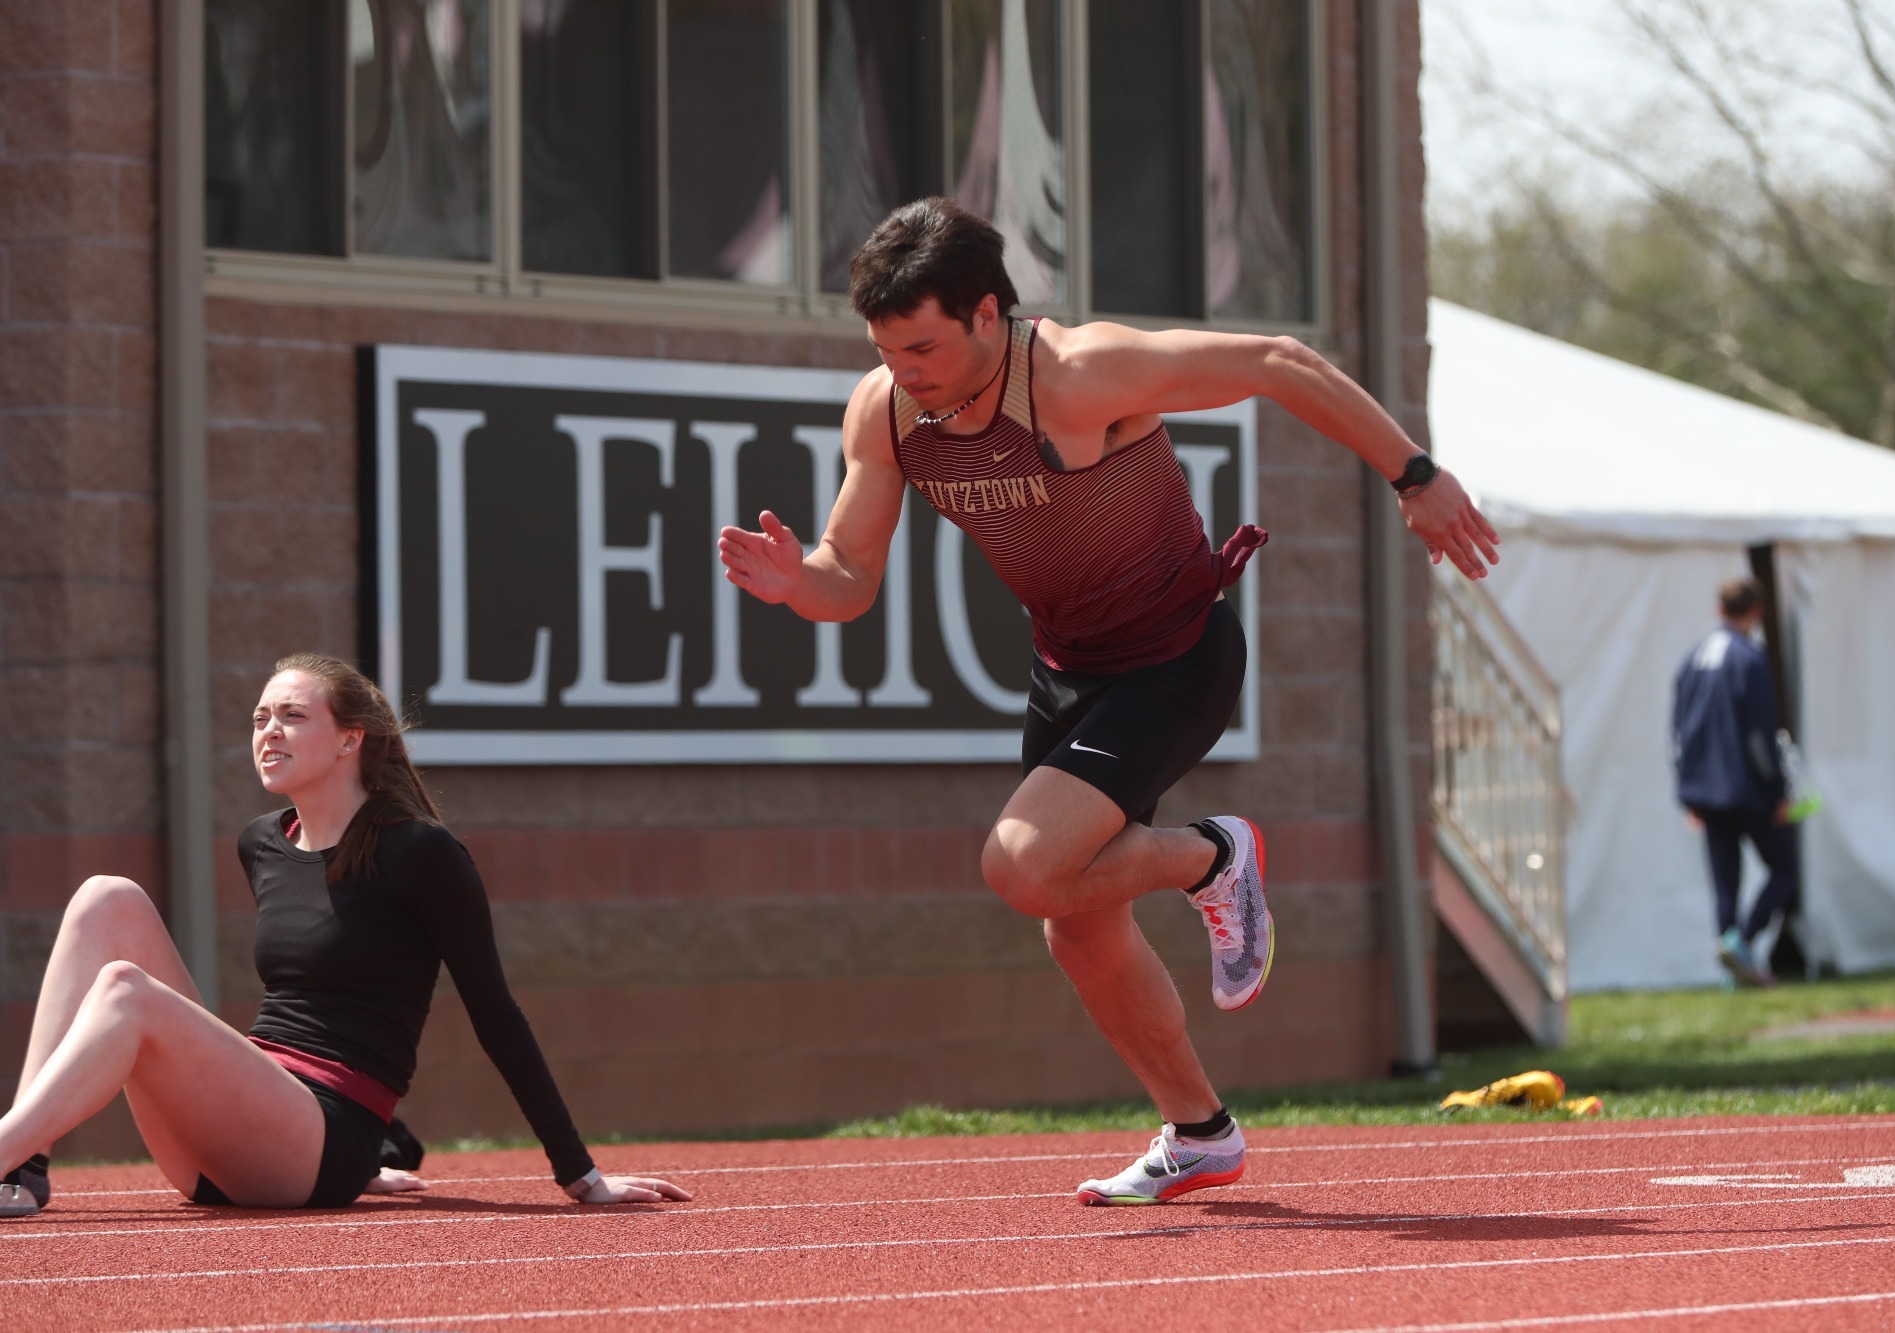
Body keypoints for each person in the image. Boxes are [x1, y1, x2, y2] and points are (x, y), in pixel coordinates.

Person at [718, 199, 1497, 1204]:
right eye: (884, 348)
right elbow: (849, 575)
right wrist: (798, 584)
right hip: (1067, 669)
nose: (901, 369)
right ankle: (1199, 1132)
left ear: (989, 313)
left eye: (921, 346)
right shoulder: (886, 411)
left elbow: (1274, 360)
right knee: (1074, 925)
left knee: (1024, 865)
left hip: (1174, 654)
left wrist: (1413, 474)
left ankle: (1211, 855)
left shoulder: (1082, 373)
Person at [0, 653, 690, 1218]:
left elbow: (496, 1015)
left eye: (293, 716)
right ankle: (24, 1170)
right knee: (105, 898)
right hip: (246, 1125)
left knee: (126, 990)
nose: (268, 731)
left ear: (350, 737)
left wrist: (581, 1173)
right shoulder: (263, 843)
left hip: (326, 1134)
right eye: (260, 717)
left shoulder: (423, 854)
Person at [1672, 577, 1801, 988]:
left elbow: (1677, 734)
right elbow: (1760, 734)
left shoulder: (1692, 659)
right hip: (1747, 788)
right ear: (1757, 611)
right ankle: (1740, 941)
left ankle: (1732, 971)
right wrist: (1778, 788)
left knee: (1725, 882)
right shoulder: (1750, 658)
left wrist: (1686, 791)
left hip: (1705, 792)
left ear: (1719, 608)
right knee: (1784, 868)